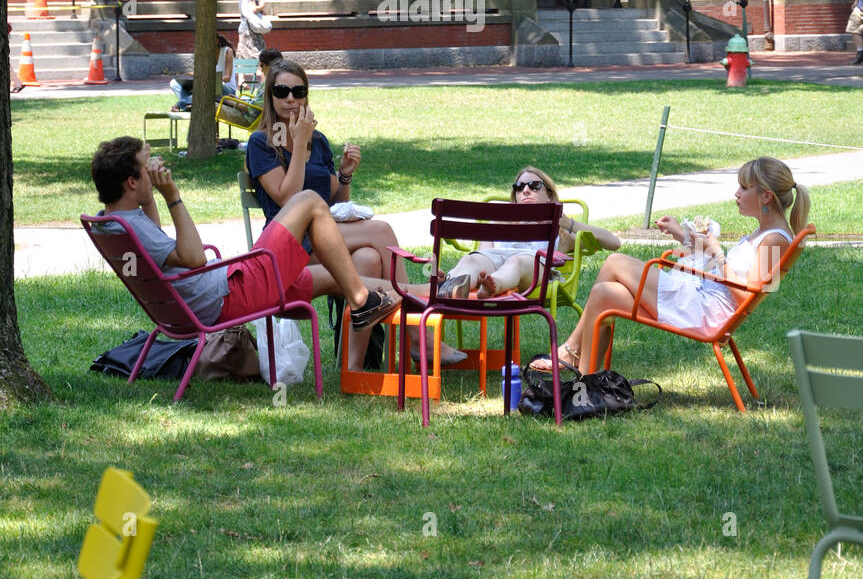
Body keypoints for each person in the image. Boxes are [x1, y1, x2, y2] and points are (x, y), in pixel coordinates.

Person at [245, 59, 467, 365]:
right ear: (270, 96)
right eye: (282, 91)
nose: (291, 99)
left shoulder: (318, 142)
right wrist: (296, 144)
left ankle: (352, 369)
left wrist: (346, 174)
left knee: (369, 258)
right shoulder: (260, 143)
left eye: (299, 91)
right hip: (289, 250)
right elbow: (288, 200)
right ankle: (419, 334)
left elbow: (336, 205)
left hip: (324, 243)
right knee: (381, 231)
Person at [89, 136, 398, 338]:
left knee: (336, 275)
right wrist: (171, 195)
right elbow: (195, 258)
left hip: (215, 295)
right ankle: (361, 300)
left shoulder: (113, 223)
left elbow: (157, 243)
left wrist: (148, 195)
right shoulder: (131, 226)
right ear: (131, 181)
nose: (158, 168)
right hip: (231, 294)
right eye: (148, 166)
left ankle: (421, 291)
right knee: (309, 202)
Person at [532, 156, 811, 373]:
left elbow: (748, 293)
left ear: (766, 196)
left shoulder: (775, 239)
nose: (736, 193)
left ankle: (569, 352)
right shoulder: (767, 233)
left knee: (615, 261)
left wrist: (717, 253)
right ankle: (585, 380)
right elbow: (734, 278)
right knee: (605, 294)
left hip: (704, 312)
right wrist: (685, 237)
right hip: (701, 301)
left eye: (744, 187)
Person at [435, 166, 620, 299]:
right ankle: (450, 284)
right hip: (495, 260)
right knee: (471, 260)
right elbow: (484, 254)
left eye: (534, 186)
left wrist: (568, 223)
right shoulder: (498, 222)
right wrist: (475, 264)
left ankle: (493, 285)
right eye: (519, 187)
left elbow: (613, 242)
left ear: (549, 195)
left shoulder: (560, 230)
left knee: (517, 262)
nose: (525, 190)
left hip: (532, 265)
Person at [170, 35, 236, 111]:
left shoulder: (227, 51)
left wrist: (209, 79)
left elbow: (227, 78)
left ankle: (181, 104)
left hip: (227, 91)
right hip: (210, 89)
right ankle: (190, 106)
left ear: (217, 41)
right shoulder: (207, 54)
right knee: (174, 83)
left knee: (212, 84)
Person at [237, 0, 268, 64]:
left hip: (243, 28)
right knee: (261, 55)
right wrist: (262, 6)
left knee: (242, 55)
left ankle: (241, 79)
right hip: (251, 29)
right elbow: (252, 9)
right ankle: (264, 78)